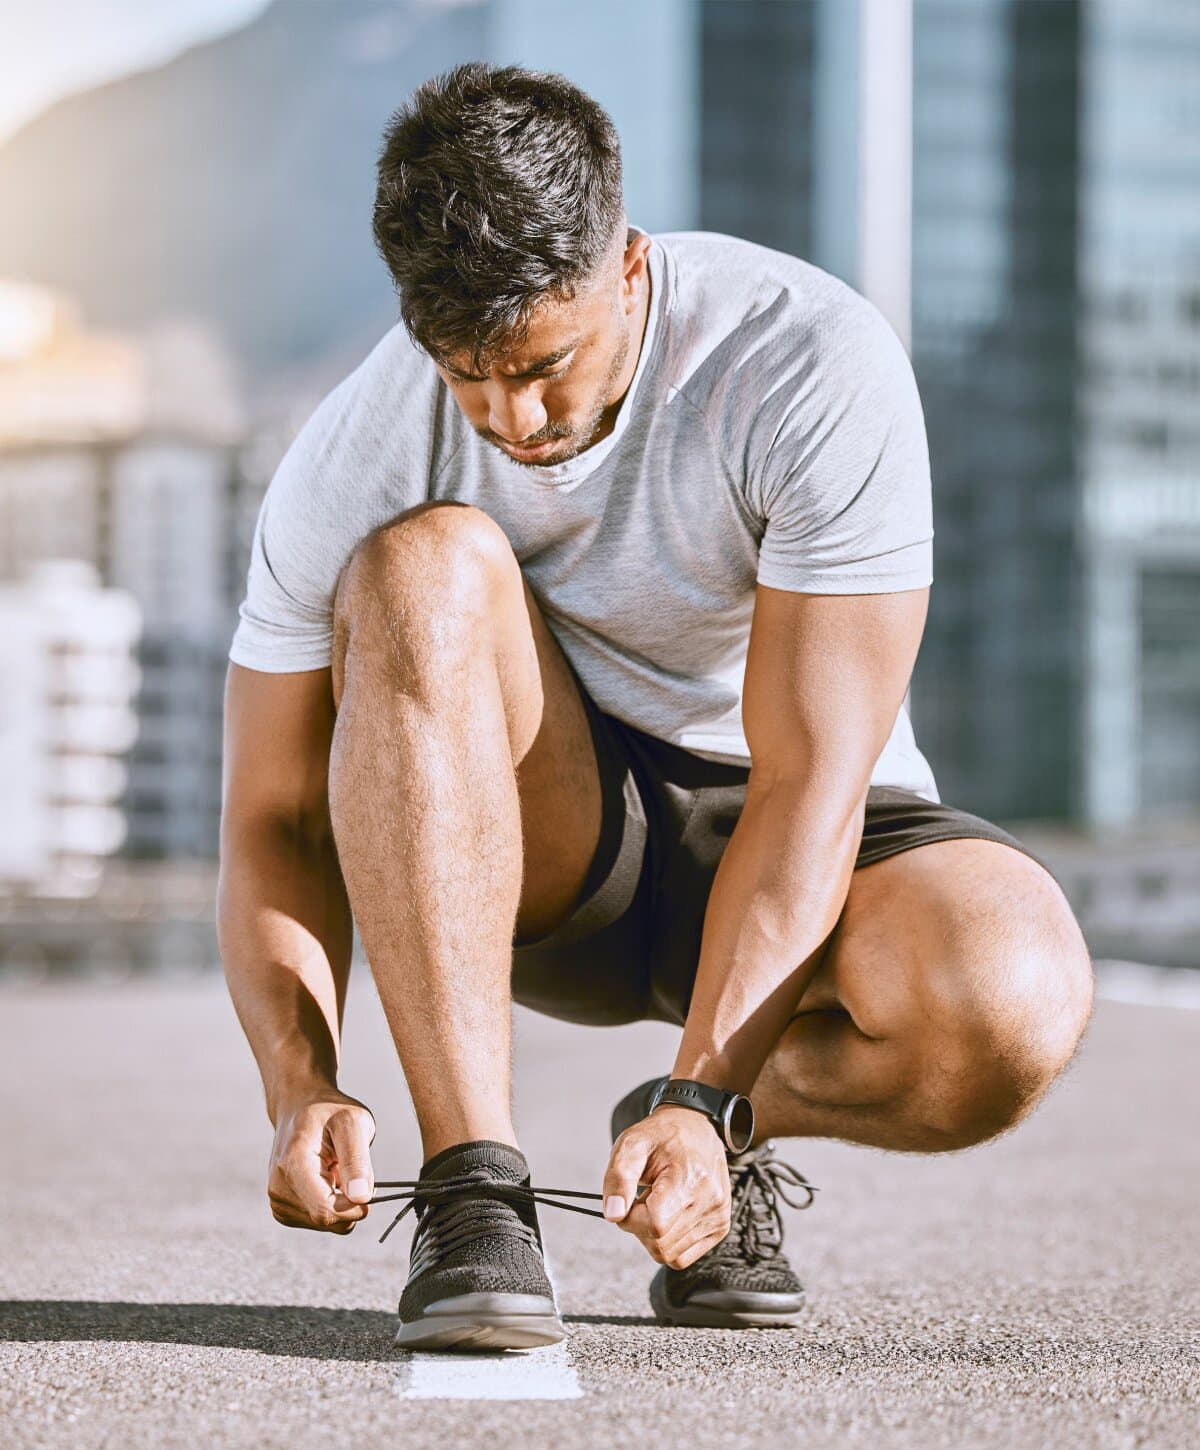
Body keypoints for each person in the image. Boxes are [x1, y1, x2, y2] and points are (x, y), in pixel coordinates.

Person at [217, 61, 1093, 1352]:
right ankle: (475, 1192)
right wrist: (299, 1081)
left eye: (541, 364)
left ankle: (713, 1125)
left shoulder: (807, 359)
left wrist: (701, 1092)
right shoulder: (356, 449)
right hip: (554, 846)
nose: (510, 416)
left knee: (1011, 997)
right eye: (465, 372)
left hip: (796, 828)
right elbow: (272, 817)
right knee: (420, 564)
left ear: (626, 266)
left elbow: (809, 780)